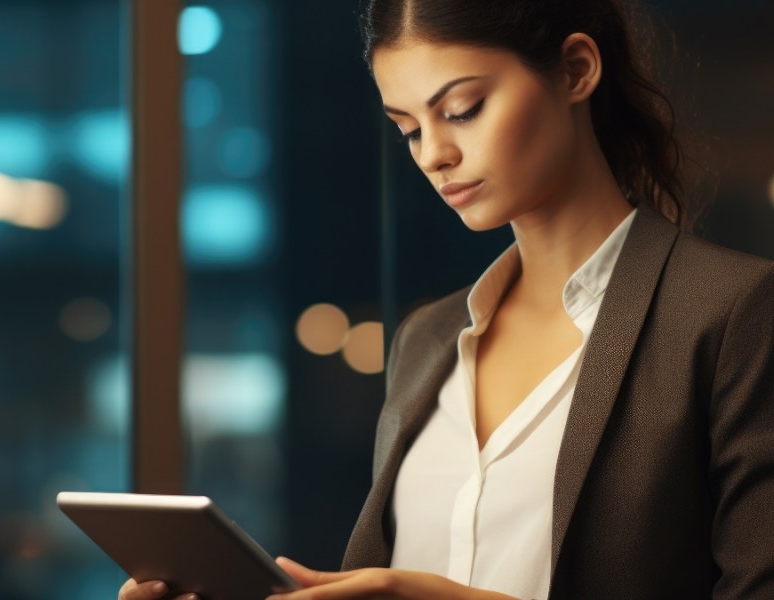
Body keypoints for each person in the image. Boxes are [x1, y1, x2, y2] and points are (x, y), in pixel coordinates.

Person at [119, 0, 774, 599]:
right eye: (407, 129)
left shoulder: (733, 314)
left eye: (461, 109)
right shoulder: (426, 339)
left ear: (576, 69)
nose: (434, 154)